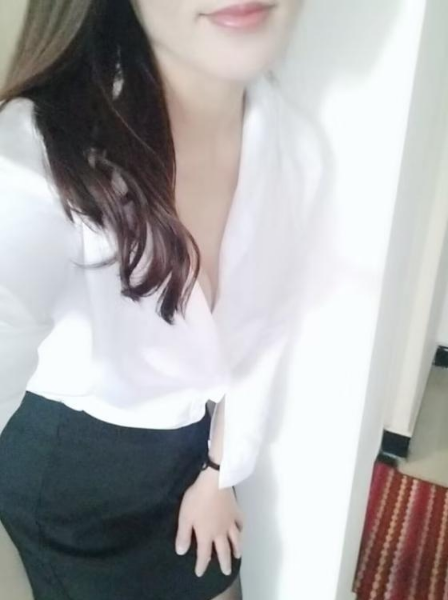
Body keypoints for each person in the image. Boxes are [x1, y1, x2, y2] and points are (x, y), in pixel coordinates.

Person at [0, 0, 322, 598]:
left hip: (193, 448)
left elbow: (263, 339)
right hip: (74, 473)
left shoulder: (292, 148)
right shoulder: (45, 147)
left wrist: (219, 473)